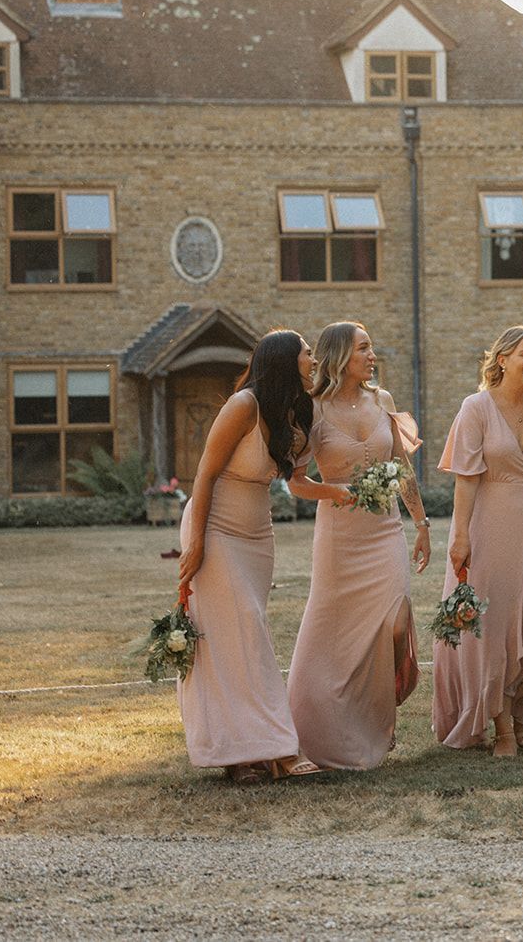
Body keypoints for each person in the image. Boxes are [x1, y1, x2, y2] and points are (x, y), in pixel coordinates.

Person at [176, 329, 323, 783]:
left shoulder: (298, 412)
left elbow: (298, 480)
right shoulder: (243, 405)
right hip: (216, 525)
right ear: (283, 360)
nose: (313, 359)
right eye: (307, 352)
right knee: (244, 633)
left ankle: (243, 753)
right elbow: (204, 473)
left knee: (237, 637)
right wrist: (196, 541)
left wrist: (344, 493)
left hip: (258, 532)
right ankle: (274, 748)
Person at [285, 321, 429, 770]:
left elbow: (402, 468)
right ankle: (328, 724)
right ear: (340, 356)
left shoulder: (382, 400)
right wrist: (337, 492)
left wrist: (422, 522)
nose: (372, 355)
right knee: (335, 634)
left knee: (395, 620)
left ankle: (380, 709)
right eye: (363, 348)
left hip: (385, 529)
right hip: (339, 536)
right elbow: (296, 483)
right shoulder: (312, 410)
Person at [434, 325, 523, 757]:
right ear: (502, 360)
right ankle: (503, 725)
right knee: (493, 633)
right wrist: (459, 537)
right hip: (489, 528)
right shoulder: (475, 408)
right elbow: (465, 479)